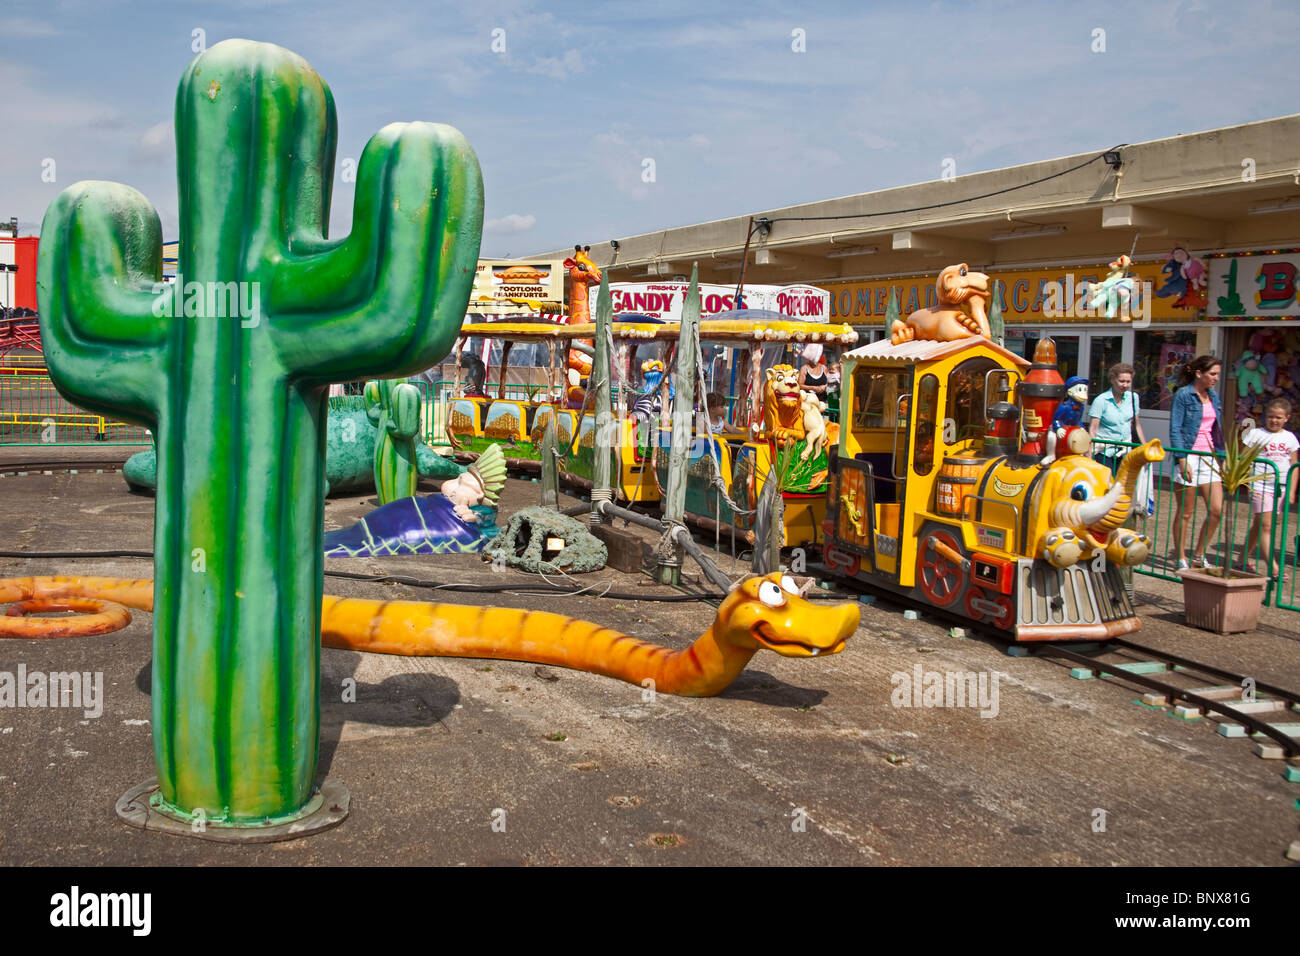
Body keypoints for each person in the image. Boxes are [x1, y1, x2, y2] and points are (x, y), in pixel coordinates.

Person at [1169, 355, 1225, 571]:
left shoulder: (1213, 396)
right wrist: (1182, 459)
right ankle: (1181, 556)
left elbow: (1216, 428)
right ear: (1199, 373)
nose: (1216, 378)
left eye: (1218, 374)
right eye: (1213, 374)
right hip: (1189, 454)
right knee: (1186, 511)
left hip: (1210, 457)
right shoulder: (1183, 395)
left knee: (1216, 510)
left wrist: (1222, 457)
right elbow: (1175, 428)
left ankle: (1199, 554)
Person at [1239, 398, 1300, 575]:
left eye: (1278, 417)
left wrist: (1292, 491)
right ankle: (1273, 568)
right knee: (1266, 526)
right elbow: (1243, 457)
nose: (1274, 420)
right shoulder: (1256, 434)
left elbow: (1294, 466)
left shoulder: (1290, 438)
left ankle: (1241, 558)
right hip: (1259, 485)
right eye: (1271, 416)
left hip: (1279, 488)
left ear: (1287, 418)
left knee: (1259, 525)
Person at [1088, 362, 1147, 461]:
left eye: (1128, 382)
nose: (1125, 385)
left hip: (1125, 451)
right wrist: (1089, 455)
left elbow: (1137, 425)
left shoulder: (1133, 398)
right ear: (1112, 380)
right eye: (1121, 381)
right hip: (1104, 452)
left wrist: (1145, 446)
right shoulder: (1101, 400)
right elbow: (1093, 430)